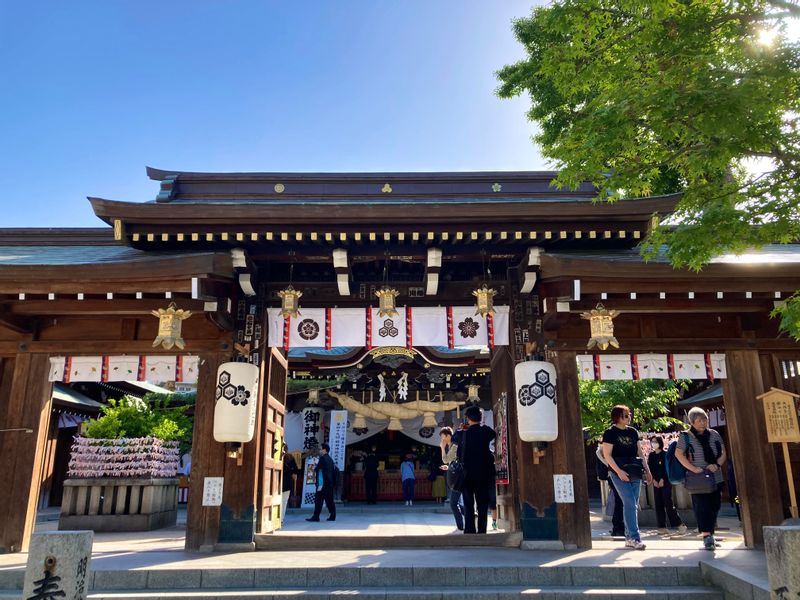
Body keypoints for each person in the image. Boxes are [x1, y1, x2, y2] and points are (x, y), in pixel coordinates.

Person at [675, 406, 727, 551]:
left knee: (715, 505)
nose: (703, 422)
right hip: (698, 478)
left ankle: (710, 533)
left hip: (715, 475)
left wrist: (717, 464)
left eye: (705, 419)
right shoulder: (686, 436)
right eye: (699, 420)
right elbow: (679, 454)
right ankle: (706, 536)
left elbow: (723, 452)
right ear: (692, 422)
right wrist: (693, 468)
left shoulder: (714, 434)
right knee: (702, 507)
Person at [602, 405, 652, 550]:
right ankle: (634, 537)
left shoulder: (633, 432)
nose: (628, 417)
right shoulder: (610, 433)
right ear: (617, 417)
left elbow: (640, 452)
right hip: (618, 471)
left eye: (629, 414)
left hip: (635, 470)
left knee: (633, 504)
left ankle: (629, 537)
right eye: (625, 415)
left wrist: (647, 470)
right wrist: (618, 472)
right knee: (629, 502)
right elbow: (607, 455)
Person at [460, 405, 496, 534]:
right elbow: (493, 434)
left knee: (468, 503)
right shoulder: (485, 431)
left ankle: (469, 529)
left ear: (468, 418)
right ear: (480, 418)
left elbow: (456, 444)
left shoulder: (463, 433)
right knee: (482, 503)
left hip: (467, 473)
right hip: (483, 473)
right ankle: (482, 530)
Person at [647, 436, 687, 535]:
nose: (653, 444)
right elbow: (651, 469)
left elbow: (666, 468)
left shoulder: (665, 454)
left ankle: (679, 524)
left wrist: (662, 479)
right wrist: (655, 480)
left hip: (665, 482)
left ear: (660, 442)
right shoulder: (651, 456)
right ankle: (662, 527)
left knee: (668, 503)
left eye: (655, 442)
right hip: (656, 483)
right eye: (652, 442)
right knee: (658, 504)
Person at [595, 441, 625, 537]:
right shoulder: (602, 452)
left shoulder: (603, 451)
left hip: (613, 476)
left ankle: (617, 527)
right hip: (614, 476)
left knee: (618, 502)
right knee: (619, 502)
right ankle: (618, 527)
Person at [439, 427, 464, 530]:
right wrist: (449, 467)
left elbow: (445, 459)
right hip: (458, 476)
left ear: (448, 436)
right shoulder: (452, 445)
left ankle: (461, 526)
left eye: (443, 437)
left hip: (459, 478)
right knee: (460, 503)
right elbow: (453, 462)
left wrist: (442, 448)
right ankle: (464, 524)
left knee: (454, 503)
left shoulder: (454, 445)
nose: (442, 440)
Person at [306, 443, 336, 522]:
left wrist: (315, 466)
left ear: (324, 450)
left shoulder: (322, 458)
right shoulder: (330, 459)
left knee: (318, 500)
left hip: (322, 483)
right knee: (329, 500)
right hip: (329, 483)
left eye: (320, 449)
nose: (319, 450)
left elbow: (317, 469)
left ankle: (316, 517)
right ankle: (333, 515)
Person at [281, 444, 299, 520]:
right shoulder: (290, 457)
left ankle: (279, 517)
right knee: (284, 501)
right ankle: (281, 518)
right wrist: (293, 473)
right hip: (287, 482)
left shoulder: (277, 456)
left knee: (280, 500)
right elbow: (295, 469)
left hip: (277, 481)